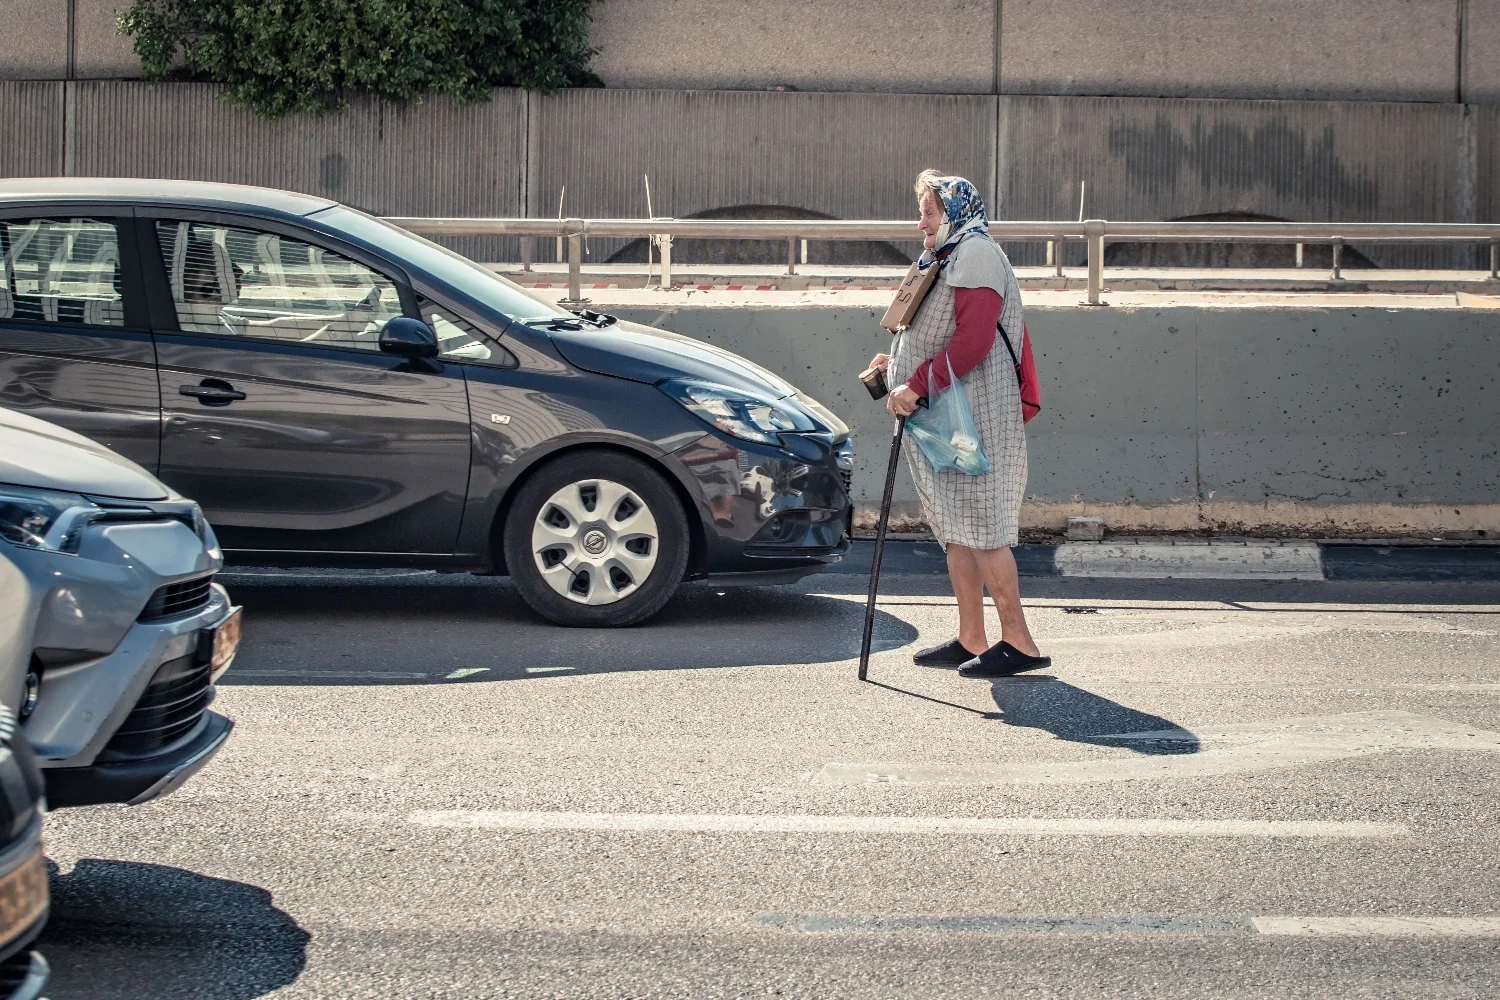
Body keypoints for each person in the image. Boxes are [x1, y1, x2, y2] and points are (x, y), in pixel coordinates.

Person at [867, 170, 1049, 678]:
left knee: (987, 526)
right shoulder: (949, 253)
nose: (920, 221)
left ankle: (1021, 642)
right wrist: (896, 363)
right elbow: (942, 330)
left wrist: (916, 383)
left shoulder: (975, 254)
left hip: (977, 416)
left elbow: (973, 341)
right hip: (948, 416)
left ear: (952, 211)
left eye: (928, 211)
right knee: (958, 530)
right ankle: (973, 637)